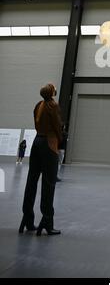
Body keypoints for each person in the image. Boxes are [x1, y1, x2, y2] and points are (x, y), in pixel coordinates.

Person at [19, 83, 62, 236]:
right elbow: (58, 126)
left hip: (37, 142)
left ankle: (27, 218)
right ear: (51, 92)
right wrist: (60, 139)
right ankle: (47, 221)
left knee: (32, 181)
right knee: (49, 183)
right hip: (49, 144)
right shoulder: (53, 105)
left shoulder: (39, 105)